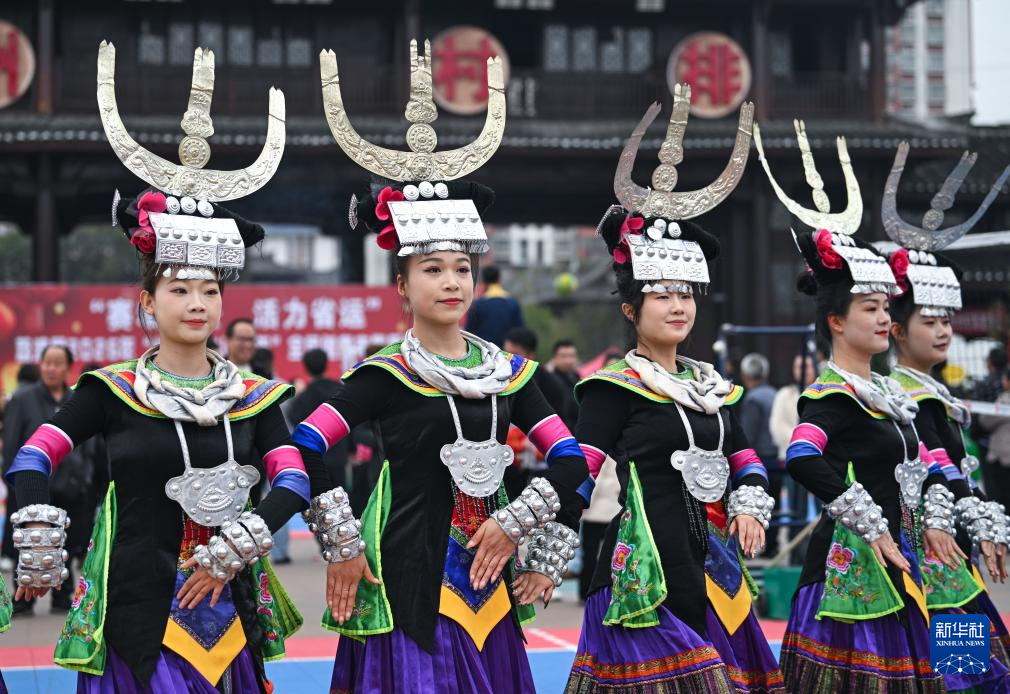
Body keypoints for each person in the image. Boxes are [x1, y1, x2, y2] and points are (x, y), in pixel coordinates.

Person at [3, 50, 331, 689]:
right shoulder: (113, 390)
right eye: (179, 289)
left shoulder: (253, 396)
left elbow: (292, 480)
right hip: (136, 610)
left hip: (229, 603)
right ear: (149, 301)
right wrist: (38, 529)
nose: (197, 303)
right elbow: (33, 456)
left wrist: (236, 545)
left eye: (210, 290)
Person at [299, 39, 590, 693]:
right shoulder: (383, 376)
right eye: (432, 269)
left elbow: (572, 460)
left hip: (491, 578)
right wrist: (341, 544)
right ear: (402, 285)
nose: (452, 281)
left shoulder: (512, 375)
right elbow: (302, 446)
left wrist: (519, 525)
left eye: (462, 267)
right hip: (405, 576)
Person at [567, 94, 783, 693]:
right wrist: (545, 549)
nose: (678, 305)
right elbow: (578, 475)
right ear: (631, 310)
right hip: (645, 572)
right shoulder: (614, 388)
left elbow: (745, 457)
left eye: (686, 293)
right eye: (662, 295)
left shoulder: (714, 388)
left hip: (716, 567)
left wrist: (750, 502)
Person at [754, 122, 945, 690]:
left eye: (886, 307)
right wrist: (867, 519)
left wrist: (945, 516)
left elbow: (933, 463)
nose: (885, 318)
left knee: (945, 670)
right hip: (852, 573)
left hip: (911, 557)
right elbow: (802, 456)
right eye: (870, 308)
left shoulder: (894, 397)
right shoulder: (832, 396)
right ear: (836, 320)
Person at [1, 344, 83, 614]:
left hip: (71, 487)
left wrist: (86, 477)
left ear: (68, 368)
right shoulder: (23, 399)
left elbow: (90, 445)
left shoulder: (76, 399)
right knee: (28, 540)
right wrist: (14, 480)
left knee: (68, 541)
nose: (51, 368)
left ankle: (62, 596)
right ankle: (24, 598)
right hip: (31, 487)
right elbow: (12, 440)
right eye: (47, 362)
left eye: (58, 363)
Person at [769, 353, 818, 553]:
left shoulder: (822, 392)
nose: (804, 370)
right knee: (795, 511)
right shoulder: (784, 395)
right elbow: (777, 428)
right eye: (799, 366)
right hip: (793, 461)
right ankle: (795, 556)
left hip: (822, 461)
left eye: (808, 366)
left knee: (825, 512)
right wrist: (806, 441)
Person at [738, 353, 782, 556]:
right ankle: (772, 546)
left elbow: (748, 435)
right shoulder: (774, 394)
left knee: (757, 506)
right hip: (777, 457)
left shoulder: (752, 399)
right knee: (775, 505)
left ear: (745, 375)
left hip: (760, 461)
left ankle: (752, 548)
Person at [464, 266, 525, 348]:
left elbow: (469, 332)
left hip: (484, 351)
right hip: (506, 352)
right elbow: (520, 331)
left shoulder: (478, 305)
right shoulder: (513, 303)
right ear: (499, 280)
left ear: (484, 282)